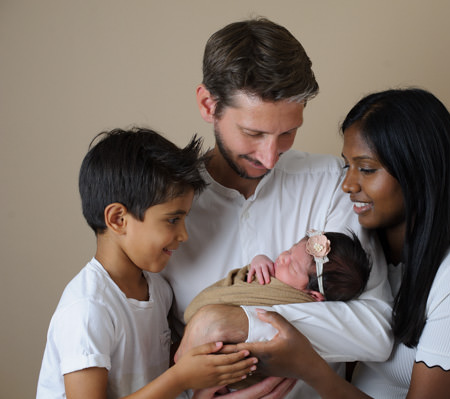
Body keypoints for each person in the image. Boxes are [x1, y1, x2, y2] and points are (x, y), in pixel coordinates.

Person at [161, 17, 393, 398]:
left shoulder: (332, 183)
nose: (270, 157)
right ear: (208, 105)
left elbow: (374, 330)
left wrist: (228, 321)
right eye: (253, 134)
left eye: (287, 132)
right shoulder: (167, 206)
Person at [235, 88, 450, 399]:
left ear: (417, 172)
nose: (348, 185)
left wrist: (310, 368)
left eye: (366, 169)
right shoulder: (359, 258)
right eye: (347, 166)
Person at [36, 128, 258, 399]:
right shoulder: (88, 308)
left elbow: (148, 377)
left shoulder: (158, 290)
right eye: (173, 220)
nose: (184, 235)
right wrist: (181, 377)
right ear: (118, 219)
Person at [183, 230, 372, 322]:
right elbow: (243, 279)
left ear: (313, 295)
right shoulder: (277, 272)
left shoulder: (294, 305)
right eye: (290, 250)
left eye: (292, 267)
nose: (282, 258)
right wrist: (258, 259)